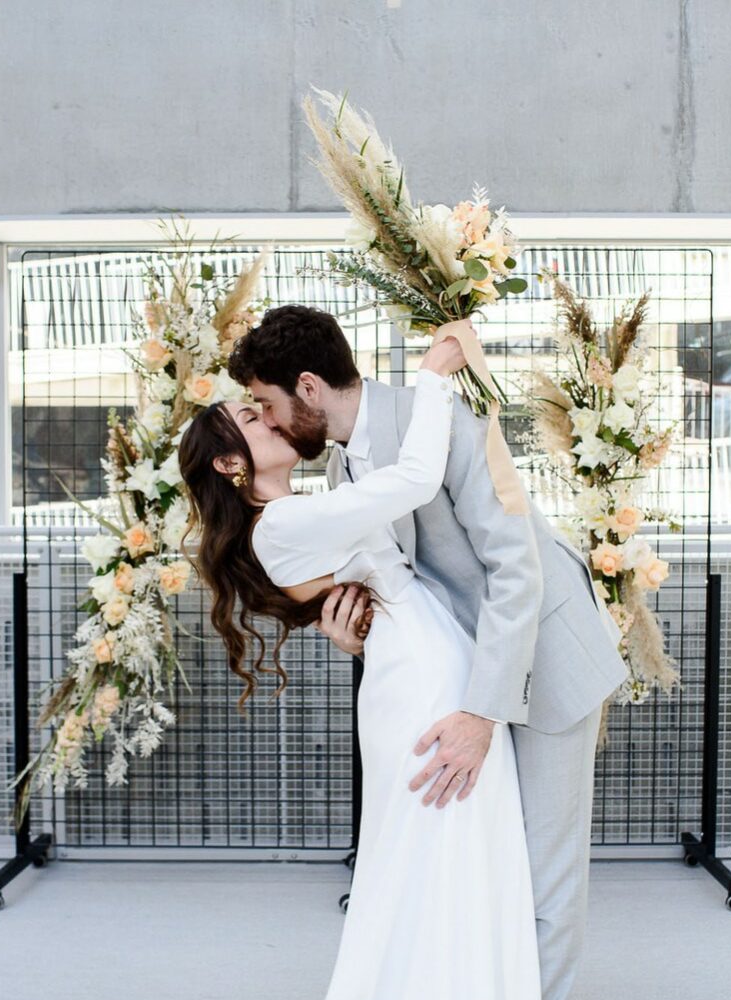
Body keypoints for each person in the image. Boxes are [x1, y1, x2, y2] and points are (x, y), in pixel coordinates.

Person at [225, 305, 630, 1000]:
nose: (266, 418)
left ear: (310, 388)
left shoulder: (441, 420)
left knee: (544, 880)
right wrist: (352, 629)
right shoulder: (337, 474)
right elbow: (398, 585)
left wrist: (481, 713)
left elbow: (517, 570)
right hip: (473, 668)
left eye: (267, 403)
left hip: (547, 659)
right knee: (499, 871)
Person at [178, 331, 542, 1000]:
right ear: (231, 463)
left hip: (421, 659)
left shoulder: (300, 506)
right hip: (421, 679)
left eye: (263, 403)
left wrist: (340, 628)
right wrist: (431, 376)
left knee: (448, 857)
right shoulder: (281, 525)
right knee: (439, 850)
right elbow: (413, 482)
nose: (270, 416)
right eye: (254, 417)